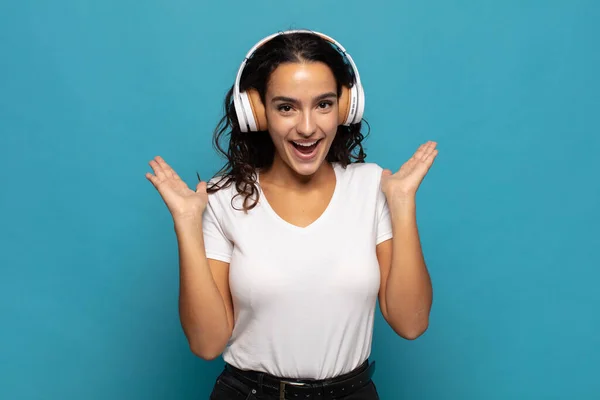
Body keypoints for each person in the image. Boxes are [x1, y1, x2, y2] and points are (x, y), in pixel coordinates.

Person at [146, 29, 438, 400]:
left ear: (346, 107)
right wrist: (187, 225)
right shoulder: (223, 199)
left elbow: (411, 323)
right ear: (256, 113)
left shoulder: (372, 188)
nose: (307, 127)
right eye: (286, 107)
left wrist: (402, 204)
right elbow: (206, 344)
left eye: (323, 104)